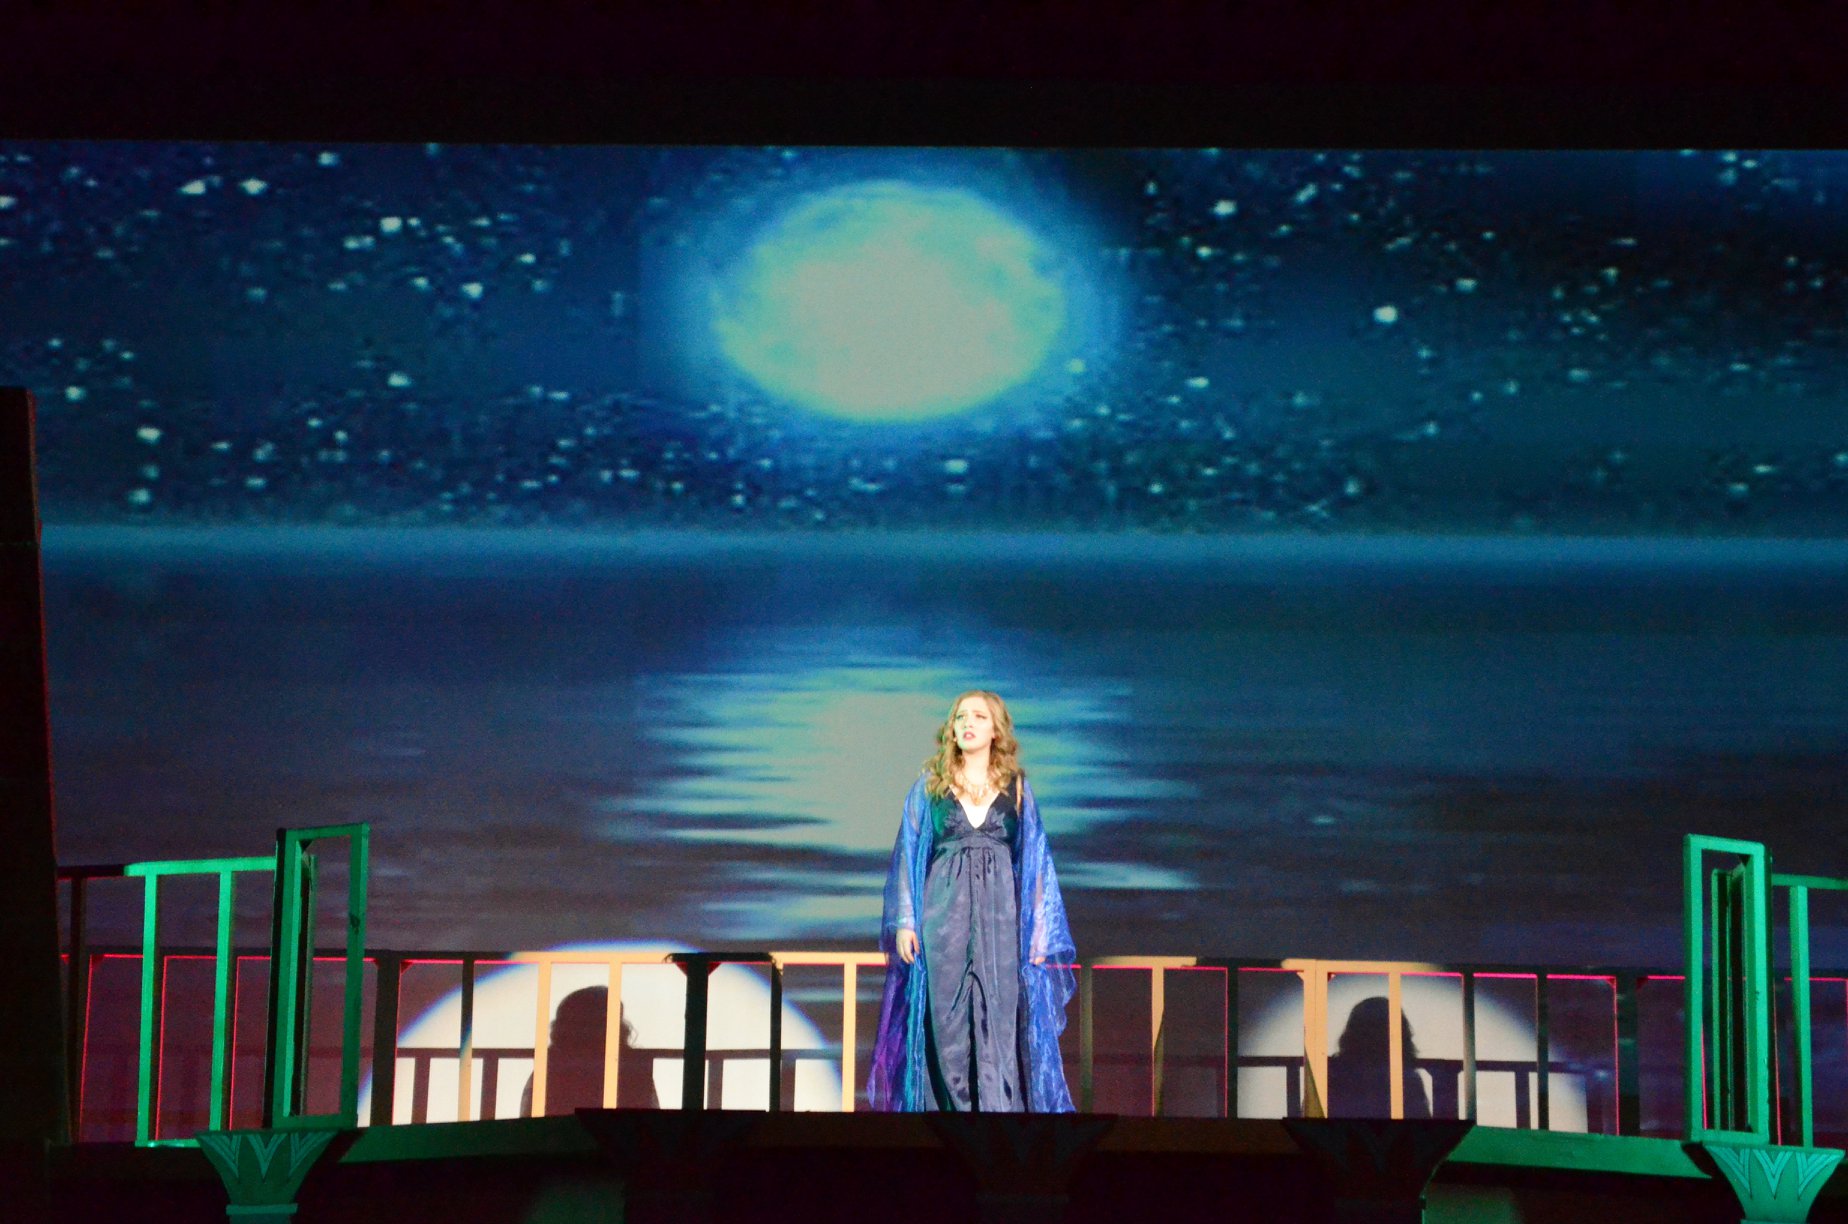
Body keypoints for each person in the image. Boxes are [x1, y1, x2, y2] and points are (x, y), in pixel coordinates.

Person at [867, 689, 1077, 1112]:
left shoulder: (1017, 789)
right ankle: (945, 1115)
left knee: (998, 1014)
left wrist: (1040, 930)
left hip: (1001, 923)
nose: (968, 723)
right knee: (945, 1018)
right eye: (961, 717)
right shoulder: (930, 788)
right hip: (943, 918)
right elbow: (909, 851)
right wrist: (906, 920)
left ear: (996, 729)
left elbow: (1035, 861)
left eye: (979, 716)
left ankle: (998, 1116)